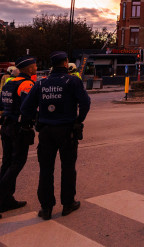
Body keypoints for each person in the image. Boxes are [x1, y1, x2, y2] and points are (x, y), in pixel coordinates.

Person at [21, 51, 91, 220]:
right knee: (68, 169)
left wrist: (38, 119)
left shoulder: (41, 83)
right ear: (66, 63)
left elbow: (25, 108)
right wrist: (78, 120)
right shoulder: (73, 81)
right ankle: (68, 204)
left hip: (46, 132)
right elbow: (85, 102)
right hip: (67, 131)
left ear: (52, 65)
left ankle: (46, 209)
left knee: (46, 170)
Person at [0, 56, 37, 220]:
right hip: (19, 129)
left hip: (6, 126)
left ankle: (6, 200)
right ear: (30, 69)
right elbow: (29, 108)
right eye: (35, 66)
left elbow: (0, 106)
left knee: (7, 163)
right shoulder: (27, 84)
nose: (36, 68)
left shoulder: (9, 83)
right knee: (17, 164)